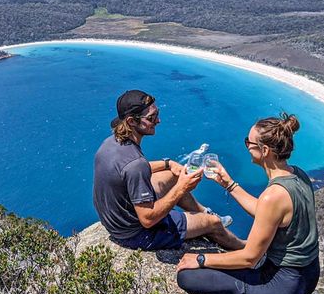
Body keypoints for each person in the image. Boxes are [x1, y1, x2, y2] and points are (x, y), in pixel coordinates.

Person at [176, 113, 320, 294]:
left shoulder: (274, 195)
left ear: (265, 150)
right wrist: (229, 184)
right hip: (309, 274)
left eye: (248, 143)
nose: (246, 147)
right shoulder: (298, 174)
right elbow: (267, 214)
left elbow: (249, 258)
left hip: (283, 283)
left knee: (187, 277)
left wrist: (201, 258)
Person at [93, 89, 244, 251]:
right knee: (213, 224)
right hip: (136, 234)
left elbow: (126, 172)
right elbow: (147, 220)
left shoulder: (111, 143)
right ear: (131, 121)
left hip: (116, 219)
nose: (158, 121)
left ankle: (205, 212)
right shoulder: (136, 164)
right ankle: (248, 251)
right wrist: (181, 188)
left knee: (171, 176)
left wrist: (168, 164)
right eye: (151, 118)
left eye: (157, 113)